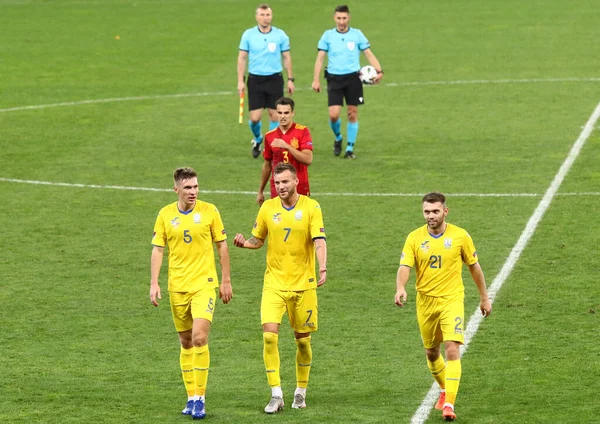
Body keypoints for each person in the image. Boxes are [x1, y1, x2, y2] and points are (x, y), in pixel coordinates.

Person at [234, 163, 327, 414]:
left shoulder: (311, 207)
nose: (281, 187)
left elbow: (319, 240)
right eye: (277, 183)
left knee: (303, 343)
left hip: (303, 286)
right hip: (274, 284)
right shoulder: (268, 207)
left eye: (285, 182)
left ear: (296, 182)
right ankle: (276, 394)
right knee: (268, 336)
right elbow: (258, 240)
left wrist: (323, 267)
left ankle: (301, 390)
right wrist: (244, 244)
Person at [394, 192, 492, 422]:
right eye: (427, 212)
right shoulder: (414, 238)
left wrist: (484, 297)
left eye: (435, 211)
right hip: (425, 301)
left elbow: (474, 267)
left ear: (445, 211)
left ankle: (449, 404)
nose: (431, 216)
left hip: (452, 300)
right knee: (431, 352)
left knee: (452, 348)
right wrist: (400, 287)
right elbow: (405, 265)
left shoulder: (460, 236)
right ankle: (444, 389)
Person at [149, 167, 233, 420]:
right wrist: (154, 283)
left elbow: (222, 246)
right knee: (185, 342)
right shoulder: (165, 215)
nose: (193, 192)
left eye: (196, 187)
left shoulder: (210, 211)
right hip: (177, 287)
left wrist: (226, 280)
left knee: (198, 338)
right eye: (188, 188)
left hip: (204, 285)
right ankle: (190, 396)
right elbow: (158, 250)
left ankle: (200, 399)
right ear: (176, 189)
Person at [311, 4, 383, 160]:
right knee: (334, 115)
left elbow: (368, 54)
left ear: (348, 18)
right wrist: (316, 79)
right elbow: (320, 58)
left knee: (352, 113)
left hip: (353, 79)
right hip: (334, 79)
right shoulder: (327, 36)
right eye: (339, 18)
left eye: (344, 18)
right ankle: (338, 138)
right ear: (334, 18)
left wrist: (379, 71)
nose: (341, 22)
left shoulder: (357, 35)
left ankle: (350, 148)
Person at [238, 3, 295, 159]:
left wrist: (290, 79)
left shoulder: (280, 35)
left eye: (268, 15)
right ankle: (257, 139)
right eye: (262, 15)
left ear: (271, 16)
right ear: (257, 17)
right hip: (255, 80)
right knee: (254, 118)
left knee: (274, 116)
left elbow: (286, 57)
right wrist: (240, 81)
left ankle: (270, 148)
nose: (265, 18)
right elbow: (242, 58)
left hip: (274, 79)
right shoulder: (248, 35)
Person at [257, 96, 313, 206]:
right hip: (278, 189)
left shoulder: (303, 132)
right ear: (276, 113)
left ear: (293, 113)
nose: (283, 116)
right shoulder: (269, 136)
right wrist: (260, 191)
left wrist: (287, 146)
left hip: (299, 186)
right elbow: (267, 165)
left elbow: (308, 159)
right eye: (280, 113)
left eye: (286, 113)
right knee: (278, 221)